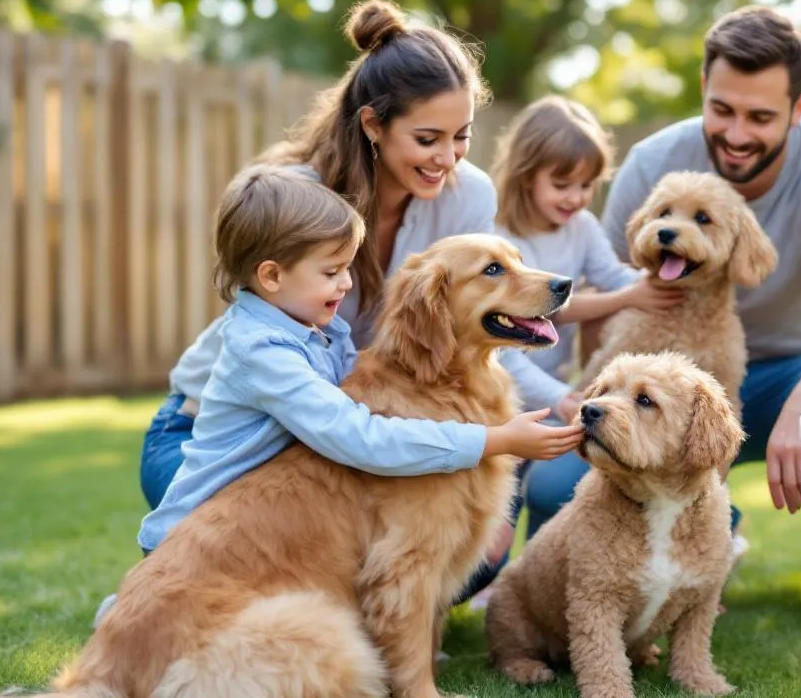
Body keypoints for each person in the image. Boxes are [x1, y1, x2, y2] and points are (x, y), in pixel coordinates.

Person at [129, 0, 578, 623]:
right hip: (223, 439)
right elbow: (338, 421)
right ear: (372, 124)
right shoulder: (291, 198)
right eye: (427, 139)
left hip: (343, 429)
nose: (447, 160)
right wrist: (483, 445)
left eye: (462, 138)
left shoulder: (467, 193)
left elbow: (476, 337)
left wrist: (558, 402)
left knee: (471, 550)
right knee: (271, 552)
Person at [520, 5, 801, 632]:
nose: (736, 133)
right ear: (703, 88)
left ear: (799, 108)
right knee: (547, 487)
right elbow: (604, 302)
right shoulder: (655, 163)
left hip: (790, 372)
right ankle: (556, 586)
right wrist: (588, 399)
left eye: (760, 116)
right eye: (722, 109)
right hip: (657, 392)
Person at [138, 165, 581, 558]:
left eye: (348, 268)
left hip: (268, 515)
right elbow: (357, 436)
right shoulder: (262, 351)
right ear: (271, 276)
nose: (347, 284)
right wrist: (492, 441)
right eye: (331, 273)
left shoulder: (319, 329)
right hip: (205, 541)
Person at [490, 95, 682, 431]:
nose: (576, 197)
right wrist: (626, 298)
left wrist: (652, 283)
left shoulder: (582, 226)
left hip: (555, 382)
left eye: (586, 185)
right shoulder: (503, 238)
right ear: (525, 175)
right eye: (561, 185)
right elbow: (546, 309)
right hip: (505, 380)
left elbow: (611, 275)